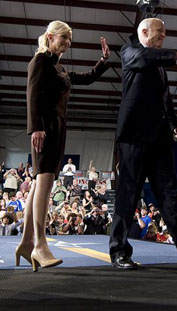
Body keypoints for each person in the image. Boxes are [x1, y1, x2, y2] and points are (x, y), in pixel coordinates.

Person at [110, 17, 177, 270]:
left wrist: (174, 124)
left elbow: (165, 99)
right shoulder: (130, 52)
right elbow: (146, 57)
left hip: (159, 138)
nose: (163, 36)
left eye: (165, 33)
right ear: (144, 32)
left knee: (170, 194)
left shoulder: (159, 66)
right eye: (160, 32)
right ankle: (119, 252)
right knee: (128, 195)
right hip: (134, 137)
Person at [17, 20, 110, 272]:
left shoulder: (58, 67)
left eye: (69, 39)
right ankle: (39, 244)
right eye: (64, 38)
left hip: (57, 129)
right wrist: (35, 127)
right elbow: (32, 94)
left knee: (39, 185)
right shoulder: (39, 61)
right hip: (45, 129)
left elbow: (86, 78)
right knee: (44, 186)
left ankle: (25, 244)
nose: (67, 43)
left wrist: (102, 61)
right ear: (50, 37)